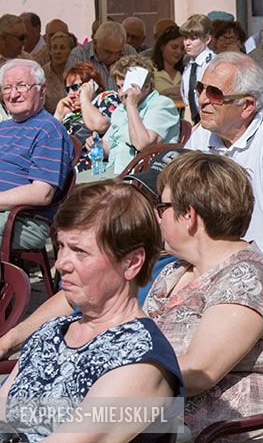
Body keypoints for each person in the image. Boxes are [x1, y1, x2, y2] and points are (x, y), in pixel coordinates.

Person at [0, 180, 183, 442]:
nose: (62, 263)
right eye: (61, 246)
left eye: (80, 251)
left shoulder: (142, 362)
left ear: (131, 263)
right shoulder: (54, 332)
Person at [146, 151, 263, 439]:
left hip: (213, 432)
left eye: (161, 207)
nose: (156, 216)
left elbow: (197, 372)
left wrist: (115, 378)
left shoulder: (249, 279)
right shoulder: (177, 271)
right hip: (159, 419)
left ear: (189, 215)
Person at [185, 51, 263, 253]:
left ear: (247, 106)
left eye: (214, 93)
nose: (201, 99)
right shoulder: (203, 134)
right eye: (200, 88)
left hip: (261, 266)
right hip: (206, 259)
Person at [0, 58, 74, 250]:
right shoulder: (3, 128)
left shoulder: (49, 130)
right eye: (7, 88)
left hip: (22, 221)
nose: (13, 94)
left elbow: (42, 193)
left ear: (42, 90)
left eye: (22, 86)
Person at [96, 55, 180, 175]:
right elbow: (109, 147)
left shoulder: (162, 104)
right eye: (119, 87)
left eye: (126, 87)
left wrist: (132, 105)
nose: (121, 93)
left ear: (145, 87)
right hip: (113, 171)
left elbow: (143, 144)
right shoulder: (121, 110)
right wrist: (97, 146)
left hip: (141, 177)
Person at [54, 62, 121, 171]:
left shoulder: (106, 97)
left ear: (92, 84)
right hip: (62, 167)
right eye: (67, 90)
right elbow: (48, 141)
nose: (71, 94)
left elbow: (100, 125)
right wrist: (59, 114)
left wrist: (84, 97)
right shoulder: (70, 112)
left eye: (75, 87)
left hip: (91, 168)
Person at [66, 21, 136, 92]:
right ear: (95, 43)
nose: (113, 58)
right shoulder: (80, 54)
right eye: (108, 52)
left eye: (119, 53)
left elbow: (139, 86)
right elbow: (73, 90)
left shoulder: (129, 52)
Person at [180, 14, 214, 125]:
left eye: (193, 39)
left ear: (207, 39)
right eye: (185, 38)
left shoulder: (213, 64)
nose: (187, 43)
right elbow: (188, 105)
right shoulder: (189, 67)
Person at [42, 31, 76, 113]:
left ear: (71, 51)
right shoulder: (42, 74)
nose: (57, 52)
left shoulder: (77, 73)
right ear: (50, 51)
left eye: (62, 48)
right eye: (54, 47)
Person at [151, 25, 184, 100]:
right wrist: (166, 92)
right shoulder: (149, 67)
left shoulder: (186, 70)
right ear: (162, 46)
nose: (179, 52)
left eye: (182, 49)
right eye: (174, 47)